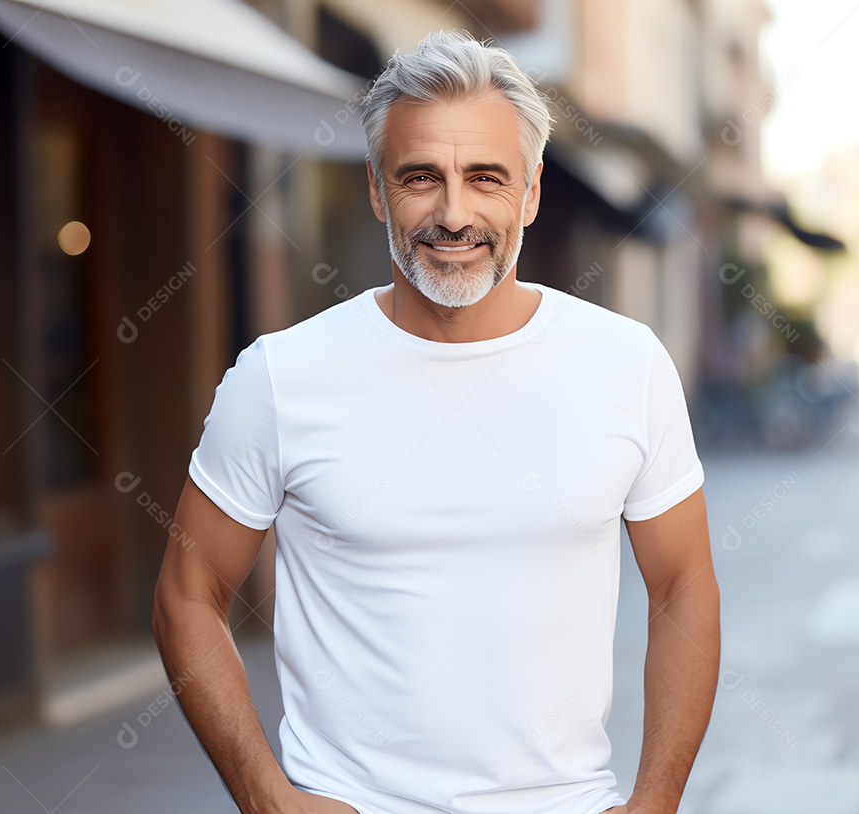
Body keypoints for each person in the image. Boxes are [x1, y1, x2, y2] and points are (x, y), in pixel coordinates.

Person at [152, 29, 720, 814]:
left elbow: (683, 585)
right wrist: (266, 797)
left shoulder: (628, 364)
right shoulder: (281, 378)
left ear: (531, 193)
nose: (454, 213)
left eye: (486, 177)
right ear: (377, 190)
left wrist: (656, 801)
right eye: (421, 177)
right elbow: (187, 594)